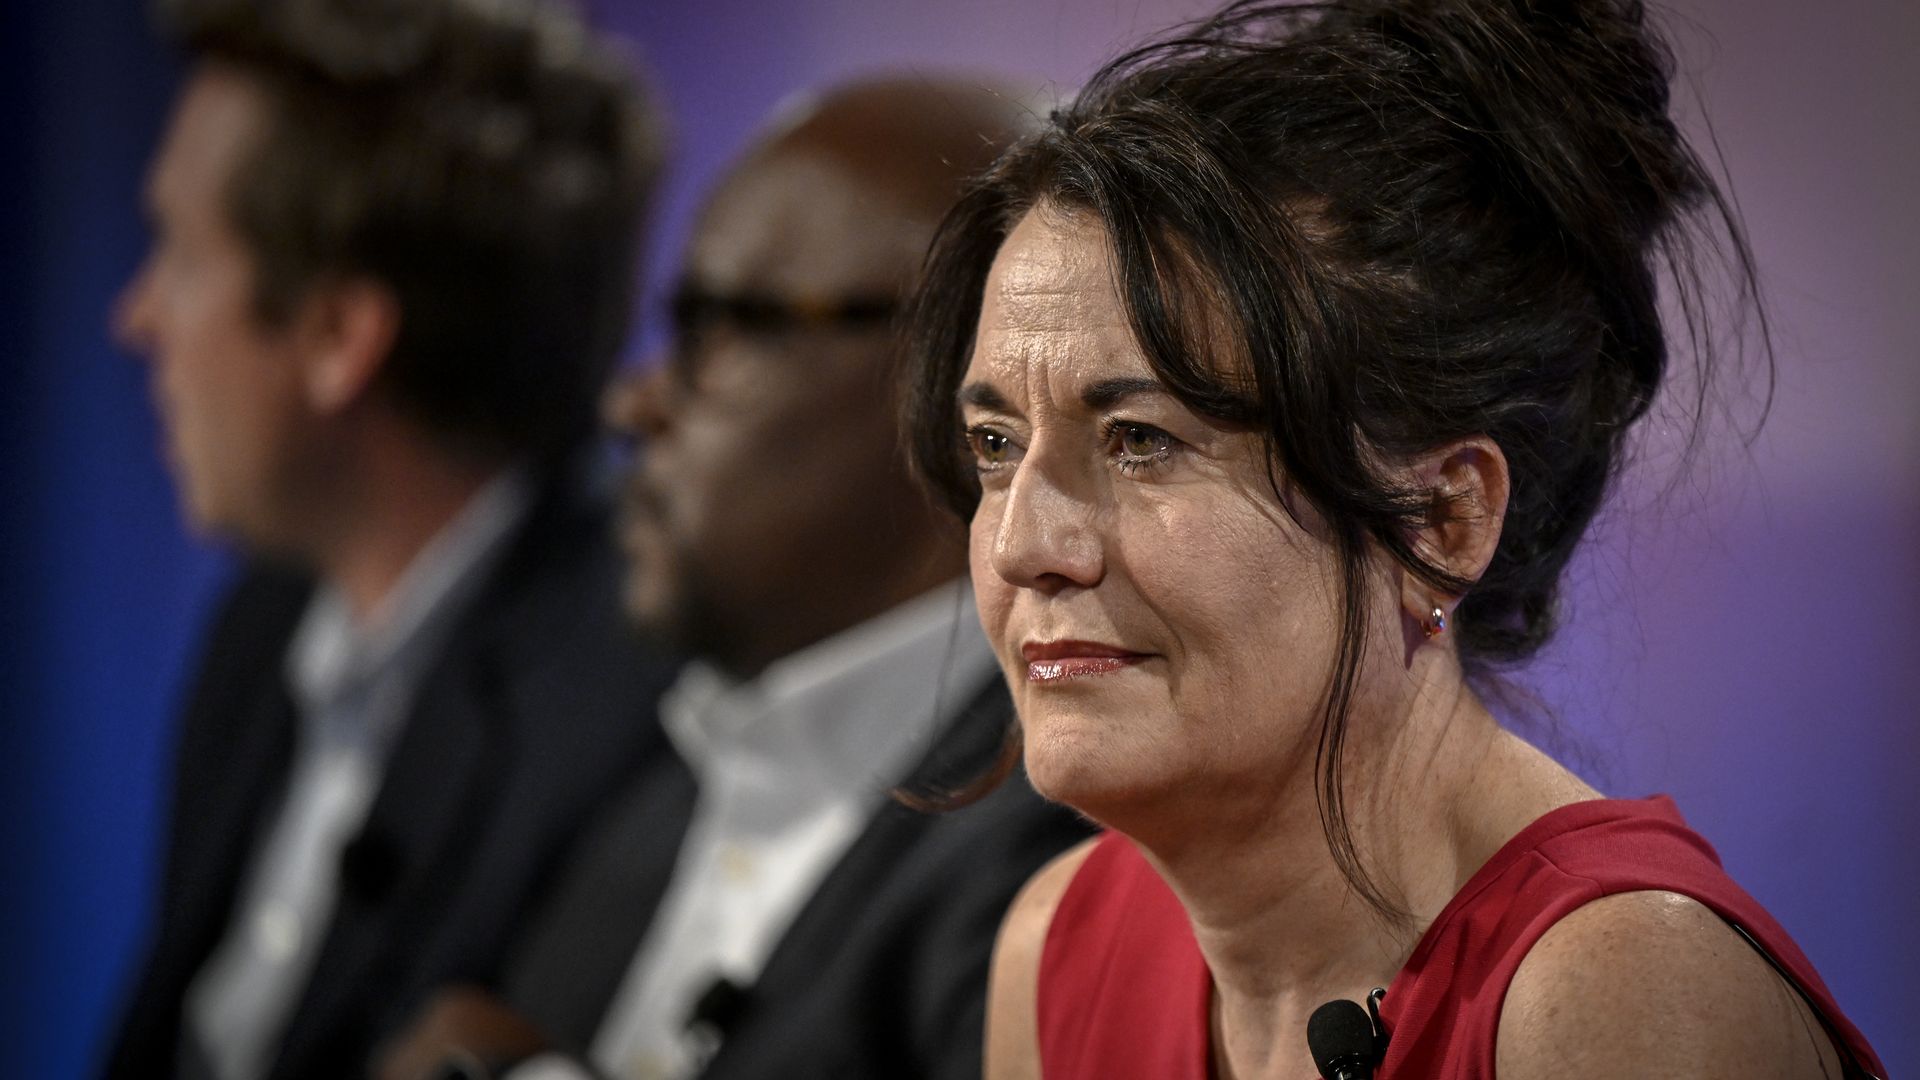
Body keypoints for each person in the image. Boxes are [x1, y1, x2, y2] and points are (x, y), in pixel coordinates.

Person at [901, 1, 1888, 1077]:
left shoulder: (1625, 992)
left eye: (1142, 440)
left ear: (1441, 521)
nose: (1021, 546)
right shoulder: (1055, 951)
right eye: (996, 443)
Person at [373, 78, 1091, 1080]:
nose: (637, 404)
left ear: (958, 377)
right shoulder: (646, 780)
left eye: (720, 326)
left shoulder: (1067, 844)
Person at [103, 1, 677, 1077]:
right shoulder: (261, 624)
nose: (136, 318)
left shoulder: (630, 720)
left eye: (180, 256)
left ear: (337, 337)